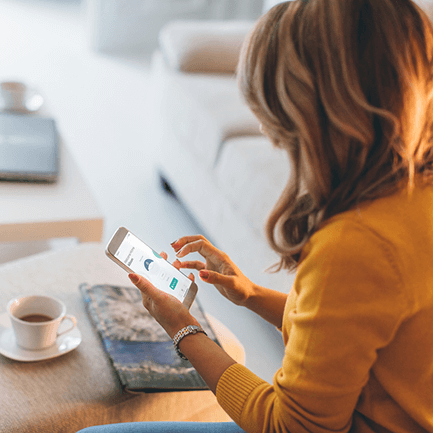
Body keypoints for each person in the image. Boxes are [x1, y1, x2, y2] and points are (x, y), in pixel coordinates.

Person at [78, 0, 433, 432]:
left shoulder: (355, 245)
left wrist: (184, 330)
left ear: (319, 119)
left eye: (279, 123)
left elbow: (289, 426)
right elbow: (351, 333)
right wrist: (252, 295)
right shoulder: (411, 196)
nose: (268, 135)